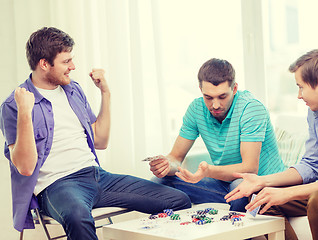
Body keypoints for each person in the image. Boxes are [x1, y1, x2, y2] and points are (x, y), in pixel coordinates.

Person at [0, 27, 191, 240]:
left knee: (178, 201)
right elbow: (25, 168)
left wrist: (105, 93)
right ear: (44, 64)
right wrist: (25, 113)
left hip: (97, 176)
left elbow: (100, 141)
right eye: (66, 62)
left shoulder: (73, 90)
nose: (73, 67)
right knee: (78, 217)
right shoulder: (14, 105)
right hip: (57, 185)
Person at [225, 49, 318, 240]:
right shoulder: (317, 110)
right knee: (263, 199)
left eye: (301, 87)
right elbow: (310, 165)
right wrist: (263, 181)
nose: (299, 95)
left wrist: (288, 194)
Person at [148, 58, 285, 212]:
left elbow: (249, 168)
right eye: (208, 97)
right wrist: (166, 165)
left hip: (260, 183)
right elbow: (176, 157)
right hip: (224, 184)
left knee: (239, 188)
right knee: (160, 182)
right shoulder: (196, 109)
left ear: (234, 89)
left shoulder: (251, 108)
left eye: (222, 97)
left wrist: (208, 171)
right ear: (200, 89)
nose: (215, 105)